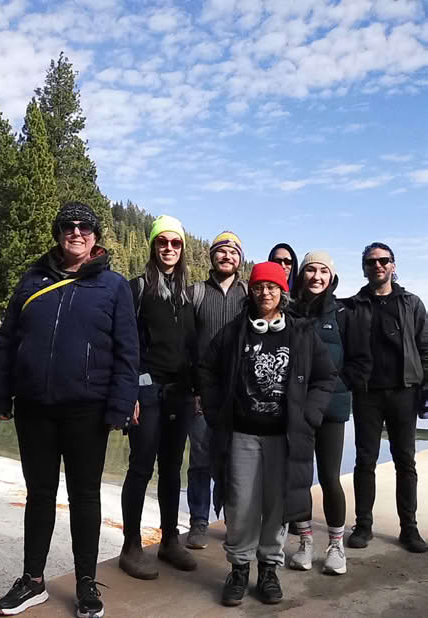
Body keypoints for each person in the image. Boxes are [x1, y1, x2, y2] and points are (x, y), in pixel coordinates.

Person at [0, 201, 139, 618]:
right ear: (58, 233)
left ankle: (86, 582)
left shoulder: (114, 286)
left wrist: (120, 406)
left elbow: (128, 354)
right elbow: (7, 341)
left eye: (85, 227)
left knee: (85, 497)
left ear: (96, 236)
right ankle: (33, 580)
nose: (76, 232)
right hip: (34, 406)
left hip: (86, 411)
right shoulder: (31, 279)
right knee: (39, 494)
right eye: (68, 226)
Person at [199, 262, 337, 607]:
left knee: (276, 505)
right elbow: (205, 370)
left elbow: (325, 377)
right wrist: (216, 411)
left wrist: (310, 414)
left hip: (283, 438)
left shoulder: (302, 334)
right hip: (242, 435)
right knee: (241, 503)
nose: (265, 293)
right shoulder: (234, 333)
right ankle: (239, 569)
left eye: (272, 287)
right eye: (259, 287)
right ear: (252, 291)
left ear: (282, 292)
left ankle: (269, 570)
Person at [119, 215, 197, 580]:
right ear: (152, 246)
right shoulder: (136, 288)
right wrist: (130, 391)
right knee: (140, 466)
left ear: (182, 249)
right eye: (162, 242)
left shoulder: (187, 292)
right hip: (146, 391)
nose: (168, 248)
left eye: (175, 243)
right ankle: (131, 545)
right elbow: (126, 343)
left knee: (171, 467)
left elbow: (192, 345)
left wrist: (197, 389)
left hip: (180, 392)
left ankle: (169, 540)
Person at [343, 242, 428, 553]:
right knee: (364, 460)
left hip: (404, 391)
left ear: (393, 265)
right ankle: (363, 526)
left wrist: (425, 389)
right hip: (367, 393)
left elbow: (425, 348)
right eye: (371, 262)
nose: (378, 266)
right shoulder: (353, 305)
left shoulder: (411, 303)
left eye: (383, 261)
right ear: (364, 268)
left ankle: (410, 529)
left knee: (405, 461)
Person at [289, 252, 351, 575]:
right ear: (302, 275)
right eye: (310, 269)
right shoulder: (290, 311)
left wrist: (338, 388)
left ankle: (336, 546)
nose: (316, 276)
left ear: (331, 277)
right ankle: (304, 543)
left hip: (331, 409)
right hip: (297, 408)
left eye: (323, 271)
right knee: (299, 478)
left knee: (329, 477)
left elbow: (357, 360)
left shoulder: (342, 313)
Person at [185, 231, 247, 550]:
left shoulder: (250, 295)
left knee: (234, 458)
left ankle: (232, 518)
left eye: (233, 252)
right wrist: (194, 389)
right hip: (201, 393)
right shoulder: (195, 293)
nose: (227, 257)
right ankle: (198, 521)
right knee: (199, 459)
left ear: (240, 258)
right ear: (212, 256)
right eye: (221, 251)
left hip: (238, 395)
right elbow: (185, 344)